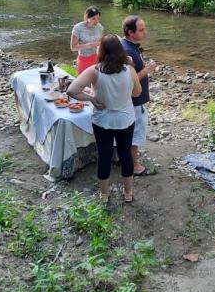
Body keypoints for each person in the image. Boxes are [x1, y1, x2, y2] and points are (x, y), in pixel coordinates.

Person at [67, 34, 142, 202]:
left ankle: (104, 195)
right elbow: (137, 93)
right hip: (125, 120)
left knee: (104, 156)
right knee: (125, 155)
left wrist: (92, 98)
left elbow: (72, 90)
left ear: (100, 50)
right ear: (120, 50)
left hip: (102, 121)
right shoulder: (129, 70)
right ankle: (128, 194)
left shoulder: (95, 71)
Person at [121, 16, 157, 176]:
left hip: (132, 100)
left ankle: (127, 159)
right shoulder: (127, 50)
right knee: (135, 133)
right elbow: (129, 79)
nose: (145, 33)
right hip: (134, 101)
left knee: (130, 132)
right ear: (130, 32)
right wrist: (147, 70)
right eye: (141, 30)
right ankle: (134, 166)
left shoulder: (129, 45)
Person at [71, 6, 103, 75]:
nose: (96, 21)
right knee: (83, 84)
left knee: (96, 83)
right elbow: (73, 47)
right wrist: (88, 45)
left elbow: (101, 42)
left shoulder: (100, 27)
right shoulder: (78, 28)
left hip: (96, 59)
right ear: (87, 18)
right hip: (83, 59)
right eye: (93, 18)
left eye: (98, 18)